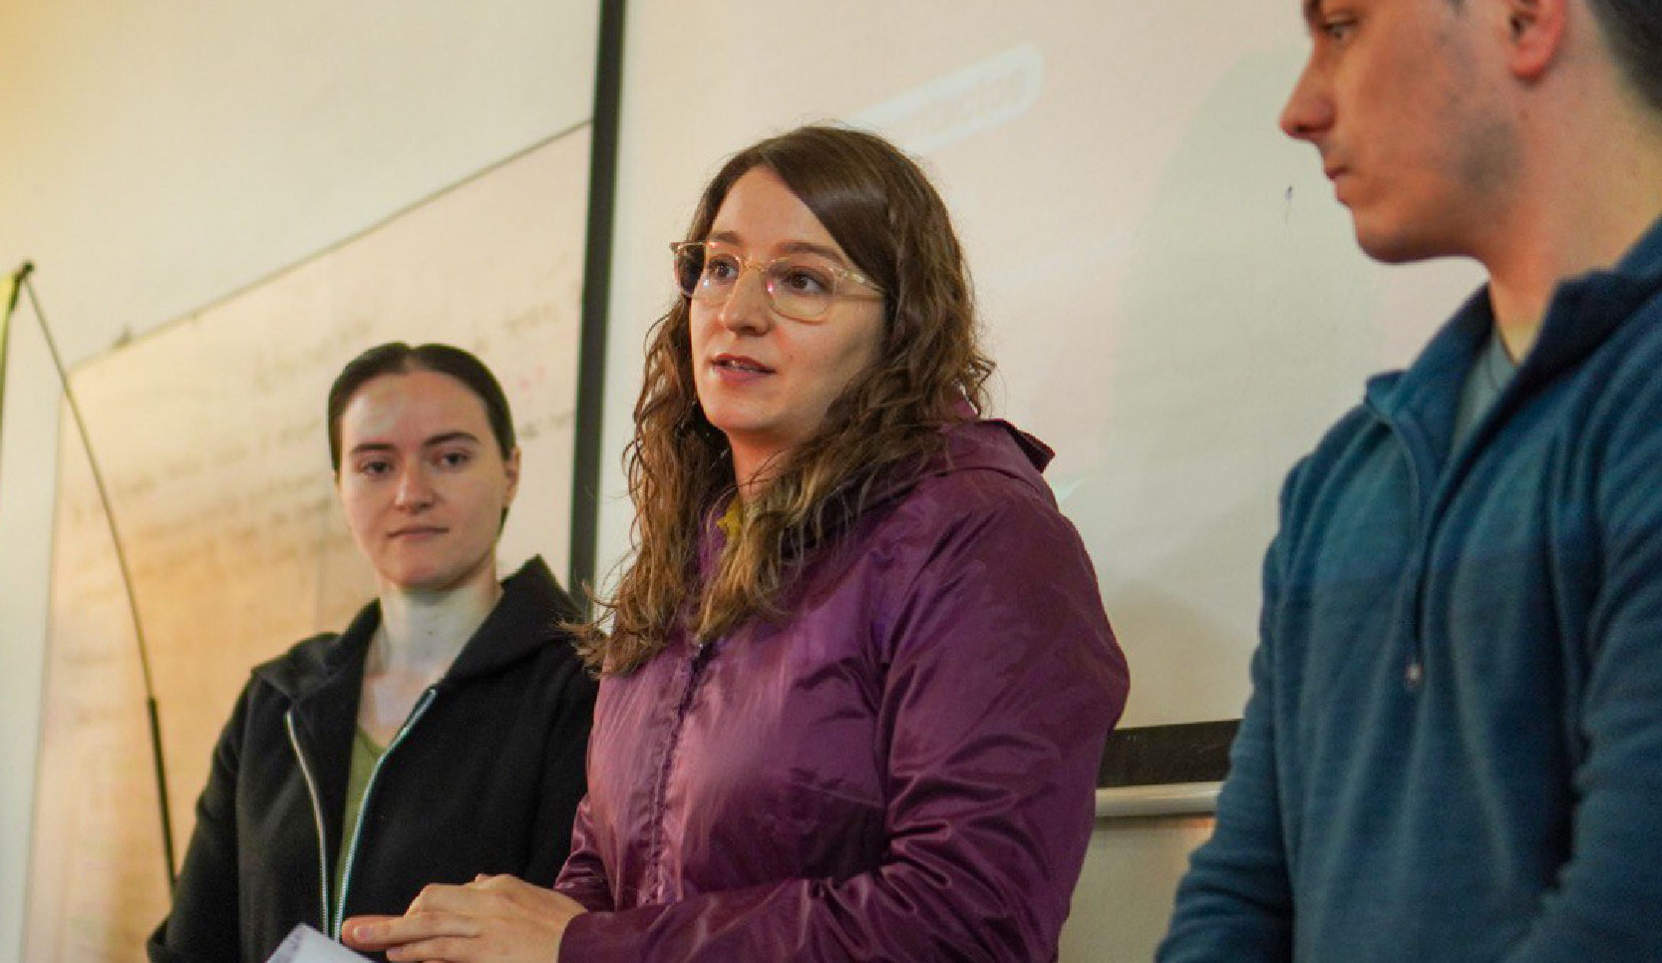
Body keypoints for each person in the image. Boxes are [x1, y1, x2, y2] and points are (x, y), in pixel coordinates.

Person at [345, 125, 1129, 962]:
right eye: (718, 267)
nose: (737, 312)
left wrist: (588, 950)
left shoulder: (983, 536)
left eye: (801, 280)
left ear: (903, 326)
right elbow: (605, 869)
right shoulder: (692, 550)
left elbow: (974, 922)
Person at [1160, 0, 1662, 960]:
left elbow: (1629, 913)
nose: (1300, 107)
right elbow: (1241, 898)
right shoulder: (1348, 479)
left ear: (1526, 9)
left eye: (1341, 27)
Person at [148, 342, 597, 963]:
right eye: (375, 466)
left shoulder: (586, 688)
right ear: (340, 486)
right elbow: (195, 945)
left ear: (510, 472)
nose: (411, 493)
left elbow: (577, 933)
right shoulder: (275, 702)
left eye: (450, 457)